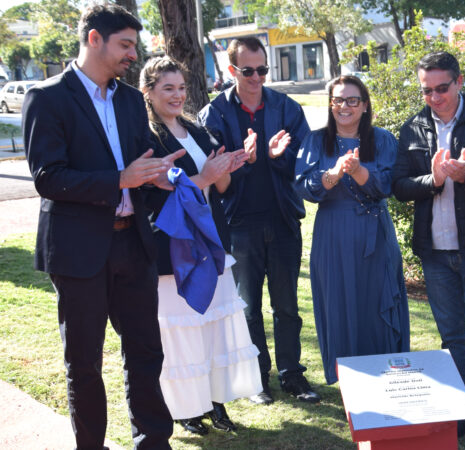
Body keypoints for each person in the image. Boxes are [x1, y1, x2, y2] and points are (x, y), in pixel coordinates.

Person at [22, 5, 182, 448]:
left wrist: (162, 179)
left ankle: (153, 440)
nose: (133, 54)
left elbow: (142, 167)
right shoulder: (47, 96)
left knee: (146, 352)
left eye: (134, 45)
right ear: (94, 39)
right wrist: (119, 179)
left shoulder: (132, 100)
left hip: (133, 245)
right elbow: (47, 177)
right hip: (78, 252)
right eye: (125, 45)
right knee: (85, 363)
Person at [392, 51, 465, 450]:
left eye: (442, 88)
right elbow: (399, 186)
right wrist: (434, 179)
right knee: (452, 340)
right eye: (426, 90)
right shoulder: (412, 127)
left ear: (459, 82)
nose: (434, 97)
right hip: (435, 252)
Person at [140, 56, 263, 435]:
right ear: (148, 93)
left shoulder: (196, 130)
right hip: (174, 247)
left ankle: (215, 402)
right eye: (168, 89)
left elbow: (220, 188)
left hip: (211, 242)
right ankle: (185, 410)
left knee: (211, 328)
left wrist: (228, 169)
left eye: (181, 88)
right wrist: (205, 176)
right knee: (183, 332)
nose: (177, 96)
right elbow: (158, 194)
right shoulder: (145, 138)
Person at [199, 37, 319, 404]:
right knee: (247, 307)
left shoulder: (286, 108)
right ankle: (256, 378)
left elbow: (303, 163)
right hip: (238, 224)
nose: (256, 77)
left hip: (282, 220)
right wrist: (247, 162)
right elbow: (214, 175)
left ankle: (292, 375)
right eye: (248, 70)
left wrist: (275, 158)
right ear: (232, 70)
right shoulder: (215, 114)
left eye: (262, 69)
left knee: (286, 306)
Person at [294, 76, 410, 384]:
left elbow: (388, 184)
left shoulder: (383, 139)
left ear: (365, 105)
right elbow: (305, 186)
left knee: (378, 304)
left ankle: (388, 378)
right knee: (339, 303)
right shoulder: (316, 140)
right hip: (334, 233)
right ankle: (351, 382)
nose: (344, 106)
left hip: (375, 232)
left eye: (352, 100)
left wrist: (358, 171)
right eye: (338, 100)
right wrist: (332, 174)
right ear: (330, 104)